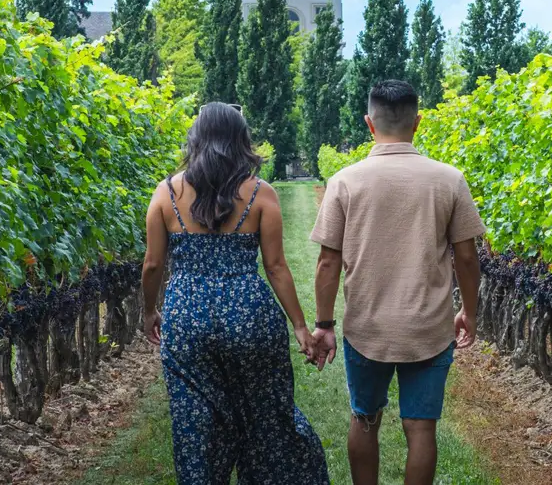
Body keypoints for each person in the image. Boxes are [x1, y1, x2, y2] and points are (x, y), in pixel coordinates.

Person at [142, 102, 329, 485]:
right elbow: (276, 267)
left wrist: (149, 312)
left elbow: (152, 265)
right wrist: (299, 326)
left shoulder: (165, 193)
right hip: (249, 316)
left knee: (195, 423)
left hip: (187, 318)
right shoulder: (261, 194)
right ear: (241, 141)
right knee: (265, 418)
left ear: (196, 139)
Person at [310, 80, 483, 485]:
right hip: (429, 327)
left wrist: (324, 325)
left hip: (367, 328)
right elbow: (468, 257)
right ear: (417, 122)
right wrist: (469, 313)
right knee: (421, 428)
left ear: (370, 124)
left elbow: (327, 262)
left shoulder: (345, 181)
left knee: (365, 419)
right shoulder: (449, 180)